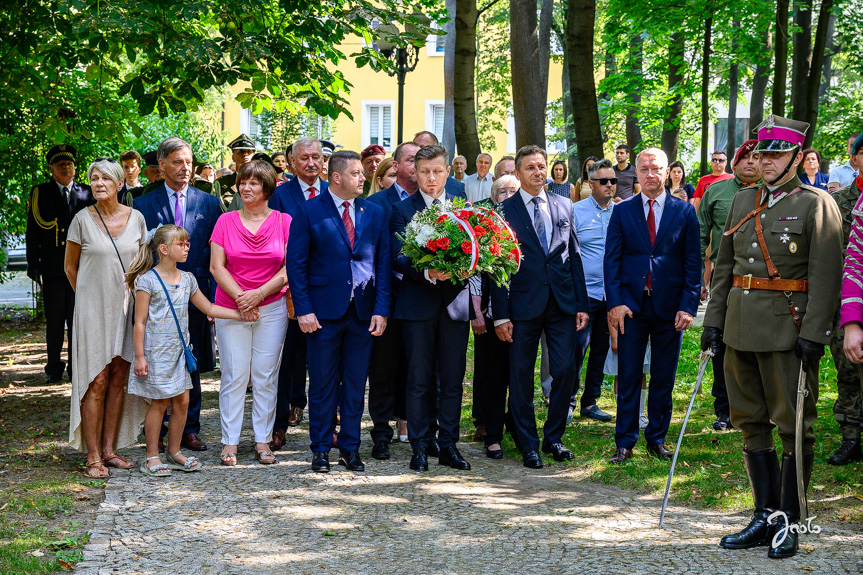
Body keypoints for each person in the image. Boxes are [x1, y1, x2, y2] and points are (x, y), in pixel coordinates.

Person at [702, 115, 843, 559]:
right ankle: (764, 516)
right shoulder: (743, 201)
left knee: (794, 426)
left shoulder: (816, 204)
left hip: (789, 330)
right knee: (750, 424)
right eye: (761, 154)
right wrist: (714, 322)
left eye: (775, 154)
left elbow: (827, 274)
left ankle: (792, 521)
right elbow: (725, 269)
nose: (765, 162)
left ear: (797, 158)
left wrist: (816, 333)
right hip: (741, 328)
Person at [286, 150, 391, 472]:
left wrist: (381, 308)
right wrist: (303, 309)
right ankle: (319, 449)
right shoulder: (308, 211)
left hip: (362, 313)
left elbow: (382, 263)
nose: (363, 178)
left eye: (363, 174)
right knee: (321, 384)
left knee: (356, 384)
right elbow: (296, 264)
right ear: (336, 177)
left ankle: (350, 448)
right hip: (322, 314)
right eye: (357, 173)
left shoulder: (373, 211)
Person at [490, 145, 590, 469]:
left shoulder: (564, 205)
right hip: (521, 305)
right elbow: (498, 266)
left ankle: (553, 438)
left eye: (541, 166)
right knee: (520, 376)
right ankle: (528, 443)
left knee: (564, 370)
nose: (538, 172)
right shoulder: (504, 211)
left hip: (560, 303)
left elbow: (573, 254)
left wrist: (581, 303)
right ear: (517, 174)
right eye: (530, 167)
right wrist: (501, 314)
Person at [604, 147, 700, 465]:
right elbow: (612, 261)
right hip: (632, 308)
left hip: (670, 309)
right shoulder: (623, 211)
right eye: (643, 169)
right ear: (637, 173)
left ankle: (656, 438)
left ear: (666, 171)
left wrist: (688, 306)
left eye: (655, 168)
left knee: (663, 378)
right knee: (629, 375)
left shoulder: (684, 212)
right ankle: (625, 441)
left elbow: (692, 264)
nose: (649, 174)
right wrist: (615, 304)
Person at [127, 225, 244, 476]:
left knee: (182, 400)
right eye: (181, 244)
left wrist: (240, 314)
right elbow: (139, 322)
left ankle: (174, 451)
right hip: (156, 353)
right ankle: (151, 457)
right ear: (164, 249)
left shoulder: (188, 279)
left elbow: (209, 309)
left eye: (187, 242)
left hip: (180, 352)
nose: (187, 247)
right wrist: (139, 356)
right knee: (159, 403)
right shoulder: (148, 281)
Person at [133, 138, 222, 453]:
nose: (185, 168)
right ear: (161, 165)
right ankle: (157, 428)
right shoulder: (142, 204)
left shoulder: (209, 203)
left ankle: (190, 428)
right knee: (159, 360)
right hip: (156, 295)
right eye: (177, 162)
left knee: (190, 359)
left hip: (194, 294)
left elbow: (216, 254)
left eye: (189, 162)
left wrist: (214, 299)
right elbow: (139, 254)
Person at [64, 158, 148, 478]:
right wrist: (87, 298)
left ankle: (110, 450)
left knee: (118, 378)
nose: (98, 183)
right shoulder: (80, 220)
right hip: (91, 310)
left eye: (105, 179)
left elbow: (143, 266)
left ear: (119, 184)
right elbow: (70, 268)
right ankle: (93, 456)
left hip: (127, 308)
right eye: (94, 179)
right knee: (95, 380)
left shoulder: (137, 219)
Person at [391, 144, 472, 472]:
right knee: (419, 377)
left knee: (452, 378)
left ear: (447, 172)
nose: (431, 178)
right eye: (424, 172)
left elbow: (474, 246)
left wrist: (471, 264)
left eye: (437, 171)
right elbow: (395, 255)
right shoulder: (402, 208)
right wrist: (426, 271)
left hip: (455, 305)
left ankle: (449, 444)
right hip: (417, 306)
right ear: (415, 172)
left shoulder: (461, 209)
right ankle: (419, 446)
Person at [210, 160, 290, 466]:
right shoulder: (225, 222)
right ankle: (229, 443)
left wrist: (259, 294)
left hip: (271, 307)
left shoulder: (284, 222)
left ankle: (262, 441)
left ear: (267, 187)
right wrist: (242, 298)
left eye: (253, 183)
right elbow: (216, 266)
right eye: (242, 182)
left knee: (265, 375)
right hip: (231, 309)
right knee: (234, 374)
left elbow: (289, 269)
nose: (245, 188)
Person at [267, 137, 329, 450]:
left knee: (326, 363)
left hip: (327, 291)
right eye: (304, 158)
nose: (310, 163)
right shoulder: (279, 196)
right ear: (292, 162)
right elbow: (273, 243)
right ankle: (278, 427)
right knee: (286, 361)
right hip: (287, 290)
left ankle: (327, 426)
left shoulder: (334, 192)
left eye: (316, 157)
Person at [697, 139, 762, 432]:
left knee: (760, 347)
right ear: (734, 164)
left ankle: (761, 408)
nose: (750, 163)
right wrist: (698, 277)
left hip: (764, 284)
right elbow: (699, 235)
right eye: (744, 158)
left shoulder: (773, 194)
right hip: (727, 282)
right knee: (720, 345)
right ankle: (724, 409)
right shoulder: (716, 192)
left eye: (756, 158)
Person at [364, 142, 421, 459]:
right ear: (396, 165)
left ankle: (410, 424)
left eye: (420, 160)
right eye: (411, 160)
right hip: (383, 297)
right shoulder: (375, 204)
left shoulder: (429, 203)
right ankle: (381, 432)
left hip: (418, 296)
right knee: (383, 368)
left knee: (413, 367)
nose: (415, 166)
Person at [26, 145, 93, 383]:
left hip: (81, 268)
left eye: (70, 164)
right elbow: (33, 231)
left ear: (75, 169)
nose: (66, 168)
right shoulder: (40, 193)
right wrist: (33, 264)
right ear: (52, 170)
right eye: (61, 165)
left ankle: (77, 369)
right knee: (54, 321)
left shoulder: (87, 193)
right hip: (53, 268)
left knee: (78, 319)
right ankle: (54, 369)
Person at [470, 175, 520, 457]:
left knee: (519, 373)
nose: (508, 195)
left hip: (524, 311)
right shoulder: (485, 228)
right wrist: (476, 312)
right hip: (489, 313)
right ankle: (491, 430)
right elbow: (475, 274)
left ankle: (516, 423)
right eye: (503, 191)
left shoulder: (528, 223)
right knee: (491, 373)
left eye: (514, 191)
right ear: (494, 196)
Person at [570, 158, 617, 423]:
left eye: (613, 181)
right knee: (577, 348)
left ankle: (590, 402)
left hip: (609, 294)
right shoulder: (575, 211)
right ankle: (567, 400)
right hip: (584, 293)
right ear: (591, 183)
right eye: (604, 181)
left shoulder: (621, 212)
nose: (610, 185)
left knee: (601, 349)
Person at [829, 133, 863, 466]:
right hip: (848, 300)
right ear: (853, 160)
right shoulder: (838, 204)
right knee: (848, 369)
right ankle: (851, 437)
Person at [411, 131, 466, 198]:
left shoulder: (457, 188)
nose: (417, 152)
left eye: (423, 148)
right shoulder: (406, 182)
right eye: (415, 148)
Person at [214, 134, 257, 209]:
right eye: (240, 152)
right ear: (233, 157)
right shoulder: (221, 183)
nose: (245, 155)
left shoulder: (261, 182)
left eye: (249, 152)